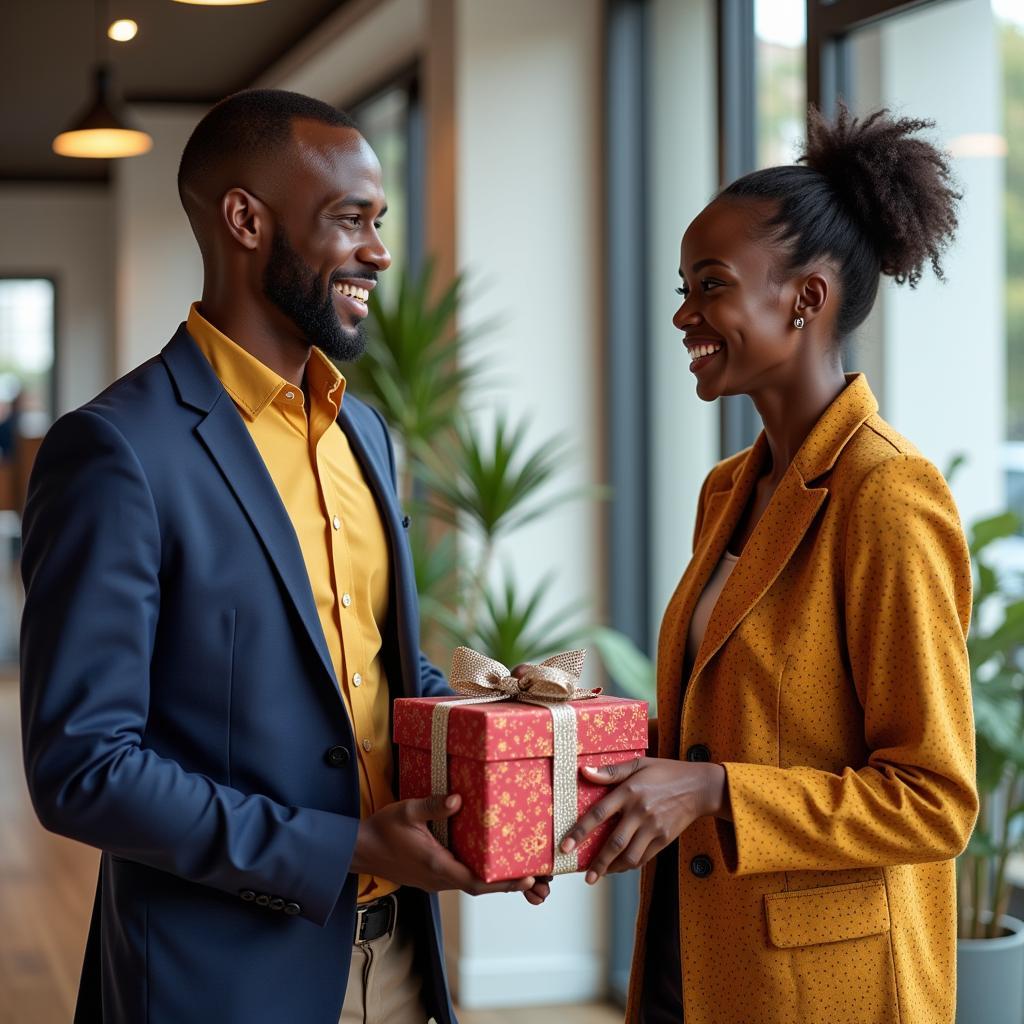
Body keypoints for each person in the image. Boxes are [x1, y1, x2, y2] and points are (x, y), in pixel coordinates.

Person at [19, 89, 545, 1024]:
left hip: (403, 967)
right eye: (350, 220)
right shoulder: (115, 451)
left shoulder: (367, 436)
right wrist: (342, 846)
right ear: (246, 219)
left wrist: (511, 776)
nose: (380, 252)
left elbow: (380, 673)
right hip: (219, 981)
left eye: (379, 222)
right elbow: (84, 768)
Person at [562, 106, 978, 1024]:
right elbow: (739, 721)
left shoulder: (888, 496)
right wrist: (585, 765)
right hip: (695, 954)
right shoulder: (728, 489)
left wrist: (710, 790)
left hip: (827, 989)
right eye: (683, 286)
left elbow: (934, 801)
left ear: (806, 298)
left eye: (710, 286)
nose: (682, 314)